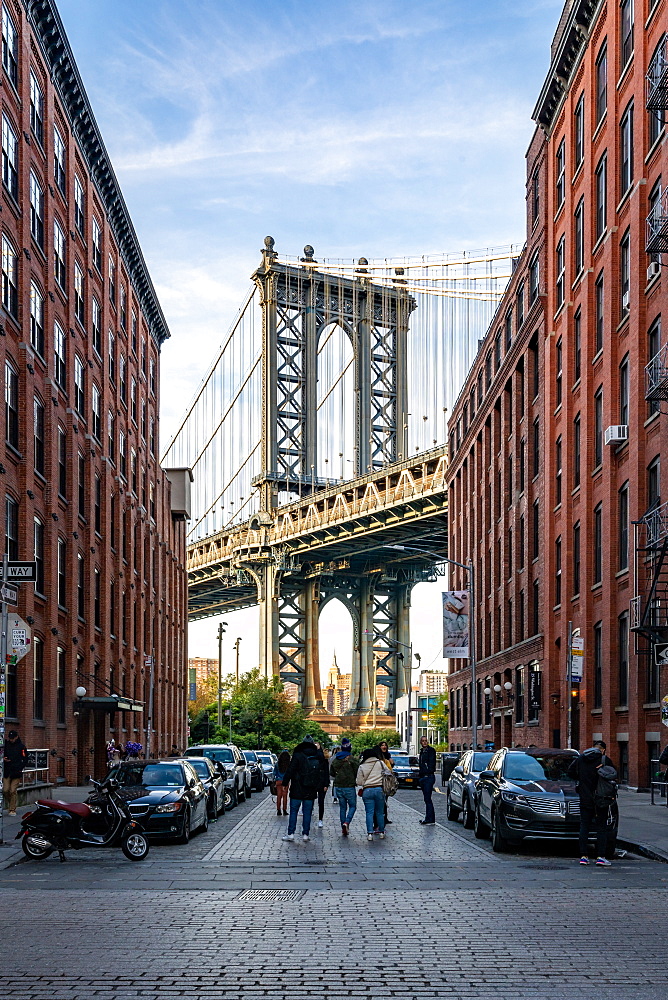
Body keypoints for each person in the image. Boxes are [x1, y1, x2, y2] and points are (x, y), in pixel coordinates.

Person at [568, 740, 617, 866]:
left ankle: (583, 856)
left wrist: (582, 780)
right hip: (601, 798)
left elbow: (570, 772)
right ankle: (601, 856)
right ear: (603, 750)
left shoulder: (581, 759)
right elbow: (614, 774)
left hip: (585, 798)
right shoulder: (604, 760)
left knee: (584, 826)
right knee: (601, 827)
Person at [281, 735, 327, 842]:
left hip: (297, 787)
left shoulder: (297, 755)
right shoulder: (318, 755)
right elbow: (322, 772)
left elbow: (290, 770)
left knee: (294, 811)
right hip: (311, 788)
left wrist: (285, 783)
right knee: (307, 812)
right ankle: (306, 834)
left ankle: (291, 833)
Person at [329, 738, 359, 835]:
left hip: (338, 786)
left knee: (342, 807)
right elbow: (357, 772)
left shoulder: (336, 759)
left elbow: (332, 773)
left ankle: (343, 825)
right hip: (349, 786)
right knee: (353, 806)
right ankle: (347, 822)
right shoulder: (352, 759)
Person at [356, 747, 386, 841]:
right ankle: (381, 832)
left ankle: (370, 833)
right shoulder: (380, 763)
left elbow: (359, 782)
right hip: (379, 789)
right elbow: (388, 773)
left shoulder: (362, 766)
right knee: (380, 812)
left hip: (367, 790)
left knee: (369, 812)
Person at [3, 730, 27, 816]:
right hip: (7, 771)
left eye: (12, 738)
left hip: (16, 772)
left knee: (13, 790)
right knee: (5, 790)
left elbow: (25, 759)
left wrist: (20, 768)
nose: (11, 740)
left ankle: (12, 809)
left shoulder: (21, 747)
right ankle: (11, 804)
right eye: (10, 738)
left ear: (16, 737)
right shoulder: (6, 745)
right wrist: (4, 759)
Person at [418, 735, 437, 825]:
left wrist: (427, 770)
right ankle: (428, 817)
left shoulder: (431, 751)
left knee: (428, 798)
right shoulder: (422, 751)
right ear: (420, 742)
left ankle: (430, 818)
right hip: (423, 777)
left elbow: (431, 763)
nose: (424, 742)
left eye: (426, 741)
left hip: (428, 777)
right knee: (426, 799)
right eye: (423, 741)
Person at [314, 741, 330, 828]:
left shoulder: (324, 759)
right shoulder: (312, 757)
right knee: (312, 800)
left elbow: (327, 772)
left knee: (321, 802)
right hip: (314, 781)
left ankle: (320, 819)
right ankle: (318, 818)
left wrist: (326, 784)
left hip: (321, 781)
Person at [378, 740, 394, 825]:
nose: (384, 747)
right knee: (381, 800)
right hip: (380, 780)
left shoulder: (388, 755)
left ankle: (385, 817)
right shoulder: (378, 756)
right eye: (382, 745)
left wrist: (392, 763)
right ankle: (381, 817)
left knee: (385, 800)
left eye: (385, 745)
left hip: (387, 781)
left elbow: (391, 768)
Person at [274, 750, 291, 817]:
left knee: (279, 796)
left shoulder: (277, 764)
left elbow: (274, 773)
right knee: (285, 796)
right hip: (285, 781)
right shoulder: (288, 764)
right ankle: (284, 810)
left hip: (278, 781)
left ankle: (278, 810)